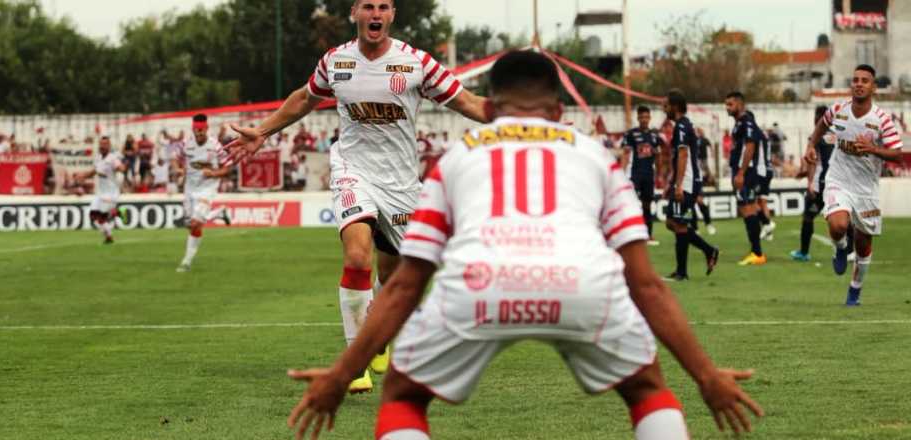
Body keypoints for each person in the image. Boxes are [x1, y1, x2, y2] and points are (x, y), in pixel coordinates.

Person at [286, 50, 762, 440]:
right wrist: (706, 375)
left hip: (479, 286)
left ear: (489, 109)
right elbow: (645, 284)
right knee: (647, 390)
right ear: (558, 112)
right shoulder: (594, 156)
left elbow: (406, 284)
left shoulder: (456, 160)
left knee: (404, 400)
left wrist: (342, 372)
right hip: (581, 286)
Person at [227, 0, 489, 393]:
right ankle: (356, 361)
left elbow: (468, 102)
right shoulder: (336, 61)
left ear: (392, 15)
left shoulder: (417, 63)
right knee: (356, 255)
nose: (376, 13)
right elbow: (304, 98)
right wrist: (263, 131)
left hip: (401, 184)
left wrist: (529, 118)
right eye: (368, 6)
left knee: (397, 276)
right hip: (353, 170)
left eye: (383, 6)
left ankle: (378, 332)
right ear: (355, 13)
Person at [803, 64, 904, 306]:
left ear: (873, 87)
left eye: (865, 80)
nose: (859, 83)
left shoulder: (882, 119)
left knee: (864, 244)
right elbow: (821, 126)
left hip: (866, 189)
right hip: (838, 180)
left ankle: (854, 291)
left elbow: (898, 155)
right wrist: (810, 145)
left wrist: (872, 149)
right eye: (855, 79)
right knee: (838, 225)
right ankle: (839, 246)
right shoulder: (838, 109)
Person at [664, 90, 719, 281]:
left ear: (675, 106)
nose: (664, 109)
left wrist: (678, 186)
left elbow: (683, 155)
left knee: (678, 224)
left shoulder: (681, 127)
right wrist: (672, 183)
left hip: (686, 182)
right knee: (673, 222)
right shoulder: (684, 125)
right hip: (686, 181)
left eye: (666, 105)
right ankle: (708, 251)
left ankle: (682, 272)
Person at [174, 114, 233, 273]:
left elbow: (228, 167)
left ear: (206, 128)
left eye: (201, 130)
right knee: (191, 225)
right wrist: (178, 169)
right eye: (196, 130)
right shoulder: (186, 143)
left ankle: (186, 262)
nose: (199, 133)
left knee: (195, 223)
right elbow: (175, 158)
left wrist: (214, 174)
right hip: (189, 188)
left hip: (207, 189)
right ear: (193, 129)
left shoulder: (215, 146)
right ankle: (219, 214)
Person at [791, 105, 842, 262]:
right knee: (839, 219)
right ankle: (846, 251)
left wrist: (810, 182)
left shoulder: (815, 137)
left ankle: (804, 252)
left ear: (818, 119)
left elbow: (813, 162)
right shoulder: (838, 136)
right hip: (838, 184)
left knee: (808, 217)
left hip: (821, 185)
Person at [725, 92, 768, 266]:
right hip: (741, 171)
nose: (727, 108)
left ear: (740, 104)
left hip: (747, 172)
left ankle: (757, 253)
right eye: (726, 104)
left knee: (748, 209)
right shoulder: (739, 124)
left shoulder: (747, 123)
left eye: (730, 104)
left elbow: (750, 147)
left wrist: (741, 173)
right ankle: (755, 250)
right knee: (746, 209)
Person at [619, 105, 663, 245]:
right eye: (641, 117)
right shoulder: (631, 134)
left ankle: (648, 235)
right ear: (637, 118)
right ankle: (628, 235)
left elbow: (658, 156)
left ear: (650, 118)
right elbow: (626, 153)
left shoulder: (654, 135)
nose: (644, 119)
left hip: (648, 175)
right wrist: (620, 173)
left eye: (646, 117)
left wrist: (660, 174)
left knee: (647, 206)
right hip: (634, 175)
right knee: (631, 204)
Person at [75, 136, 126, 245]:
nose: (102, 146)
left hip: (111, 193)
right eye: (101, 144)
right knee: (93, 216)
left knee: (101, 216)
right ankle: (108, 236)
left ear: (109, 146)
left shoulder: (112, 158)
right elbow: (94, 171)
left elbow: (121, 168)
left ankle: (119, 212)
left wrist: (120, 168)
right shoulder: (98, 158)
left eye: (105, 144)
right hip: (100, 193)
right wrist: (83, 176)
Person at [694, 127, 716, 235]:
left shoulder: (700, 157)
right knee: (689, 204)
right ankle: (694, 228)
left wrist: (708, 173)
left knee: (699, 201)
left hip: (696, 179)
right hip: (687, 178)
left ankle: (708, 224)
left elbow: (703, 164)